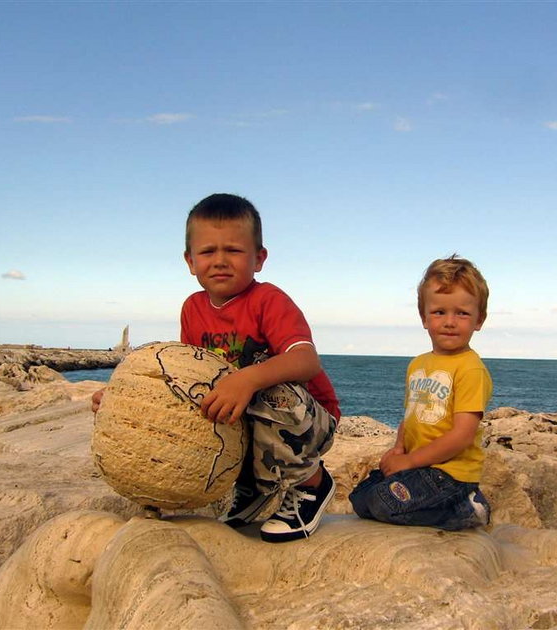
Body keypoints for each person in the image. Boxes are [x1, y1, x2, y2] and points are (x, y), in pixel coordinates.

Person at [93, 193, 340, 543]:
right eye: (208, 252)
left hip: (307, 423)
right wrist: (125, 397)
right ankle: (254, 489)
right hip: (251, 418)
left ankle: (311, 484)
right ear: (190, 261)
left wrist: (247, 378)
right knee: (206, 403)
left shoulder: (268, 300)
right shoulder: (193, 308)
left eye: (234, 251)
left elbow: (306, 360)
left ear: (259, 258)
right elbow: (185, 376)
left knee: (267, 391)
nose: (220, 261)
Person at [349, 255, 492, 531]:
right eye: (439, 312)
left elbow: (462, 436)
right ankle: (436, 504)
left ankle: (466, 508)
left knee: (383, 503)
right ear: (424, 317)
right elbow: (411, 415)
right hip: (420, 468)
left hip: (450, 475)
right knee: (360, 499)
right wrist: (398, 450)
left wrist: (410, 461)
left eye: (462, 313)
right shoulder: (418, 364)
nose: (450, 322)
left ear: (479, 320)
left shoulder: (470, 368)